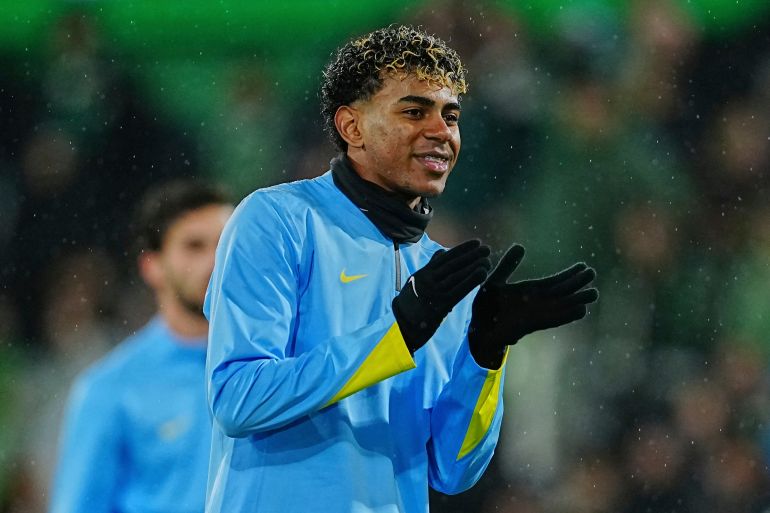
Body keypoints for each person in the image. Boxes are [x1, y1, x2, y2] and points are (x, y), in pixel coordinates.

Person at [204, 24, 598, 513]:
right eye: (415, 111)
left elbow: (451, 470)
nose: (441, 132)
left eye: (450, 116)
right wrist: (397, 334)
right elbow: (239, 400)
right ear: (352, 128)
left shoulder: (440, 274)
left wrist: (485, 354)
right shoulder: (277, 221)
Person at [49, 180, 233, 513]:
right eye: (195, 246)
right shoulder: (110, 389)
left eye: (226, 244)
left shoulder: (275, 366)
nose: (215, 261)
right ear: (152, 266)